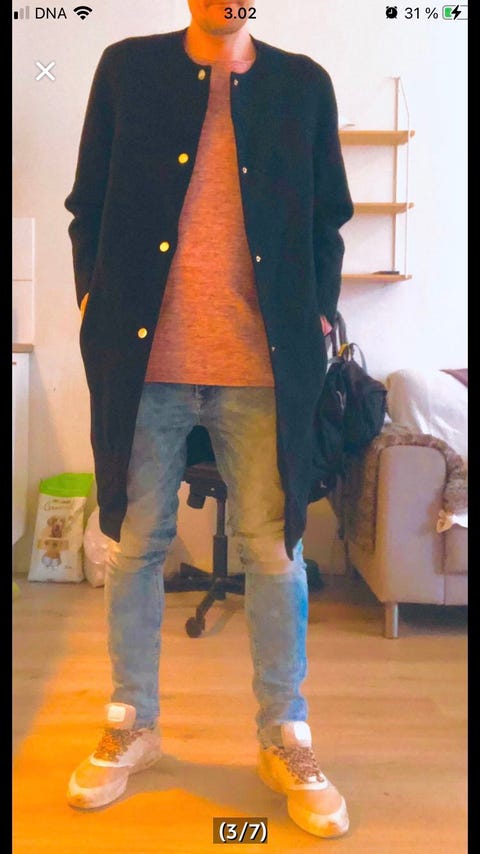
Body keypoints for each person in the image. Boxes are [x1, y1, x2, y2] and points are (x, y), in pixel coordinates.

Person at [64, 0, 353, 838]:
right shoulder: (127, 70)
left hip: (263, 369)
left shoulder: (304, 86)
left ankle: (284, 734)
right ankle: (133, 722)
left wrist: (319, 311)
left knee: (273, 551)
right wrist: (90, 302)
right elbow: (87, 207)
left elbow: (328, 219)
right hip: (146, 364)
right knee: (136, 546)